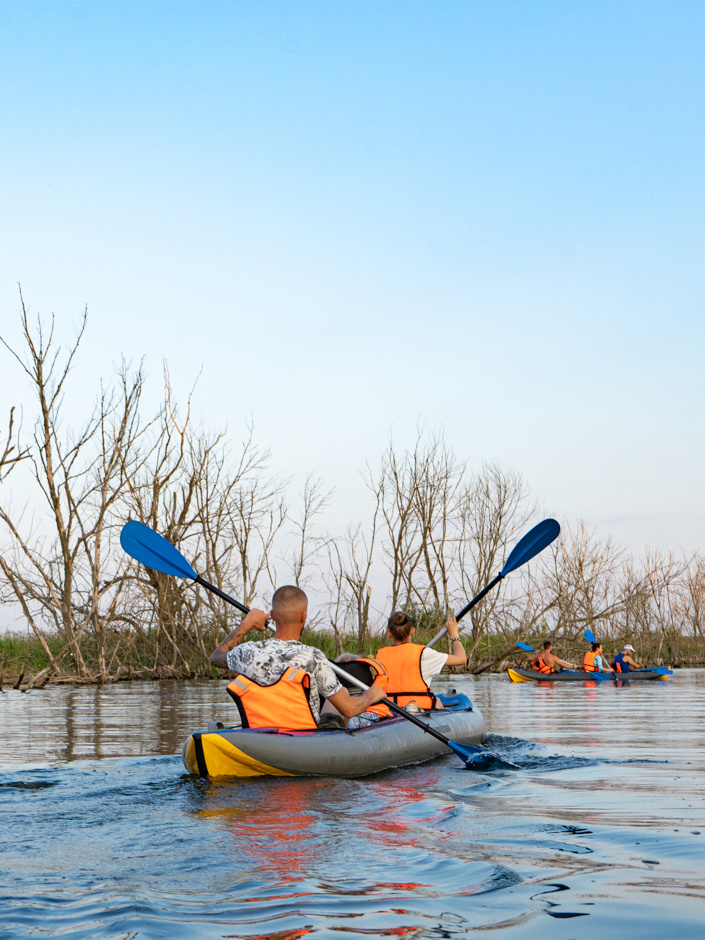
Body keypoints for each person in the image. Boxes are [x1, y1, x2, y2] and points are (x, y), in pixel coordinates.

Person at [210, 585, 385, 732]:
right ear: (303, 616)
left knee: (340, 695)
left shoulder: (247, 652)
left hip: (260, 734)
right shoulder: (313, 657)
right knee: (343, 696)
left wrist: (247, 625)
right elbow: (349, 708)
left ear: (272, 615)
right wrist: (371, 694)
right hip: (303, 740)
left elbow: (216, 657)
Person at [370, 611, 467, 712]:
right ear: (412, 631)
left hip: (389, 711)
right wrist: (454, 634)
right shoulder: (424, 654)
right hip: (418, 710)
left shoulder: (379, 656)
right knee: (437, 701)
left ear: (388, 634)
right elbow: (461, 659)